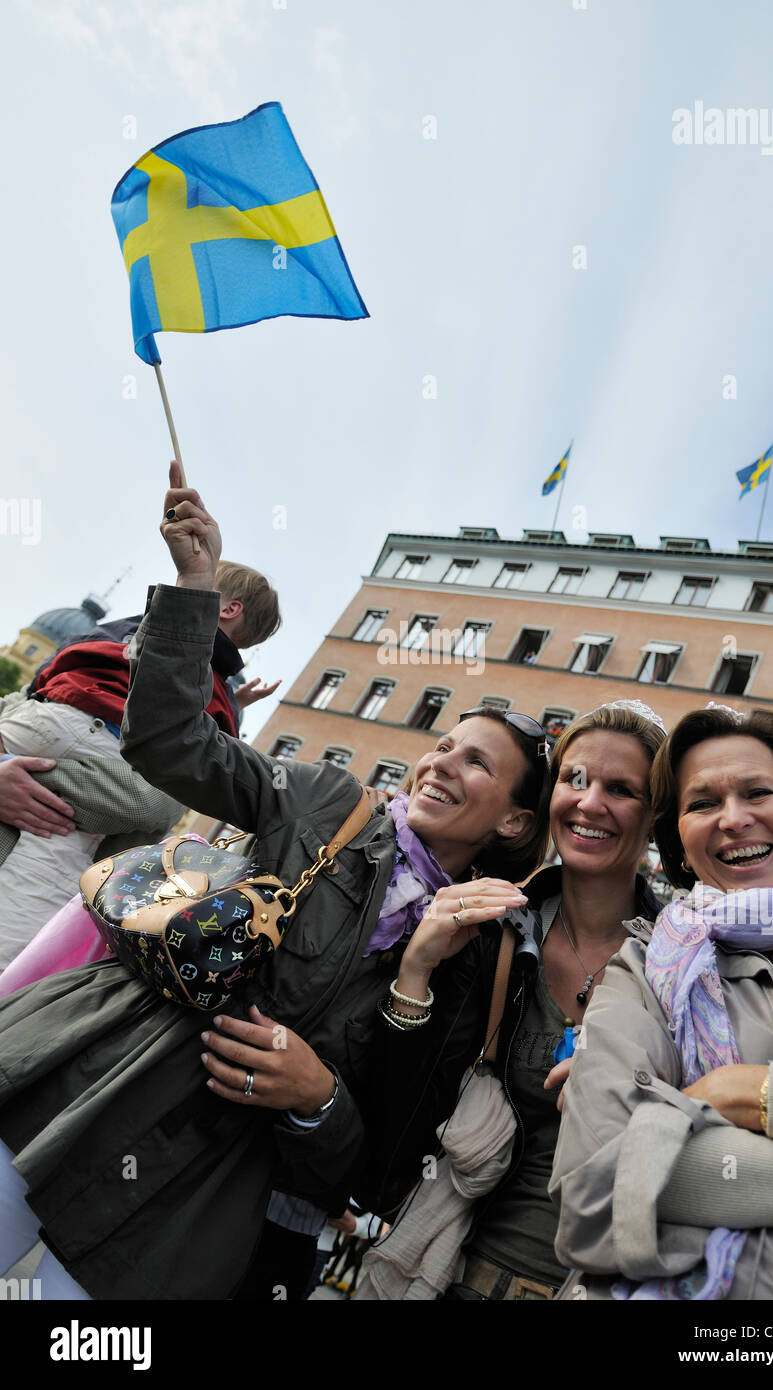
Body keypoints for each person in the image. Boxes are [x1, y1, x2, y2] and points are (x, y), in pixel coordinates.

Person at [0, 464, 550, 1301]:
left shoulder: (478, 951)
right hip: (85, 1077)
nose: (441, 765)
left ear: (513, 820)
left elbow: (377, 1163)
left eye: (478, 765)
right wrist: (191, 590)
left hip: (187, 1207)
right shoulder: (329, 797)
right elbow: (172, 746)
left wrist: (318, 1098)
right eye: (444, 745)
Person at [550, 704, 773, 1301]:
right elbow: (596, 1198)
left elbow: (649, 1176)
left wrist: (745, 1092)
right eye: (703, 804)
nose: (733, 819)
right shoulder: (640, 972)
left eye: (758, 792)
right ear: (678, 843)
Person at [356, 700, 666, 1301]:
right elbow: (392, 1122)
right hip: (452, 1276)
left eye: (621, 789)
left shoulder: (681, 963)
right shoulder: (488, 928)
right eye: (575, 779)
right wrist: (416, 972)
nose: (589, 802)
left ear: (656, 818)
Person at [0, 561, 282, 969]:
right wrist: (231, 708)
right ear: (230, 610)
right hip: (104, 749)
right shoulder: (197, 664)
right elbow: (197, 754)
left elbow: (46, 675)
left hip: (39, 715)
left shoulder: (117, 632)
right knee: (26, 919)